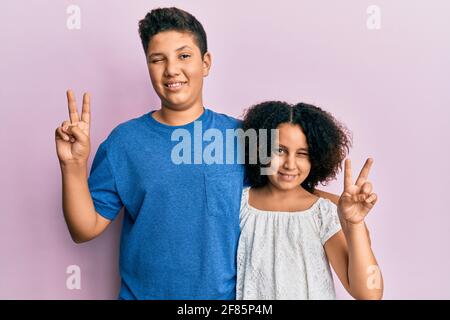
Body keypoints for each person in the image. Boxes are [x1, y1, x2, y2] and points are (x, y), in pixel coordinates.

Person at [54, 7, 340, 299]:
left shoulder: (244, 137)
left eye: (184, 56)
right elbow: (84, 229)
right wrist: (73, 165)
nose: (171, 69)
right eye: (157, 59)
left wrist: (343, 208)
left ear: (206, 63)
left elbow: (287, 193)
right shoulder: (123, 142)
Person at [236, 101, 383, 299]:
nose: (290, 164)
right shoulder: (239, 205)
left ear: (317, 158)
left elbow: (369, 293)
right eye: (279, 150)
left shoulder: (322, 213)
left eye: (302, 154)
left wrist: (355, 224)